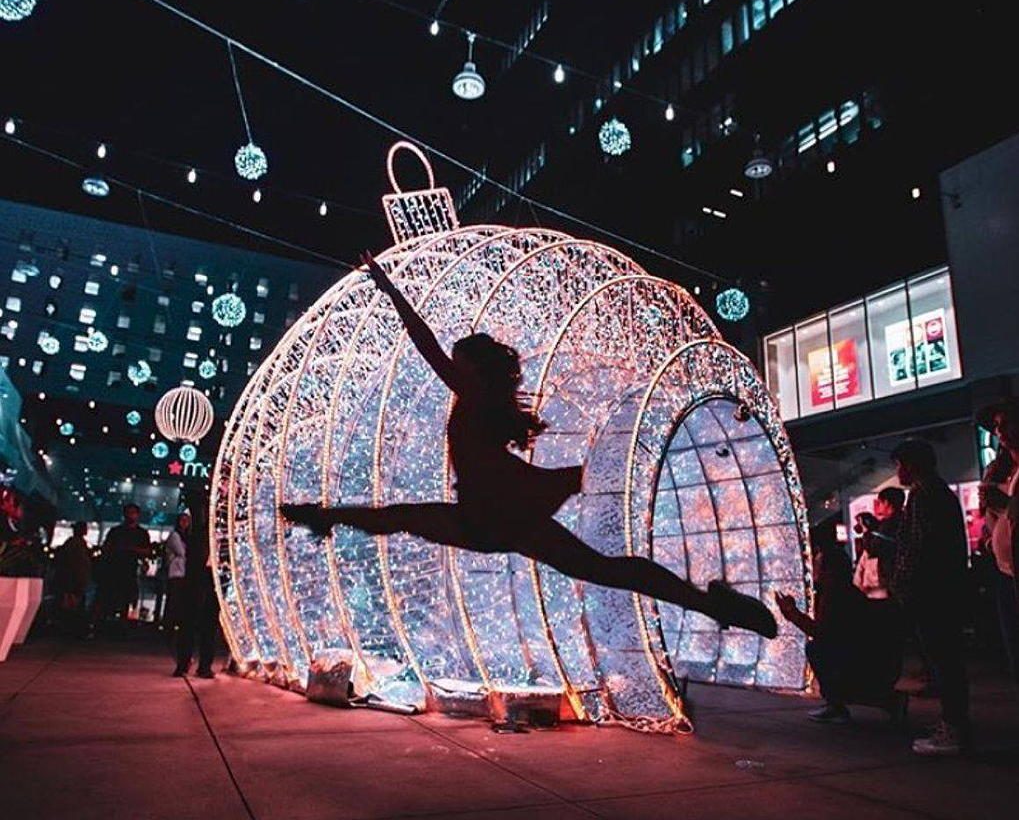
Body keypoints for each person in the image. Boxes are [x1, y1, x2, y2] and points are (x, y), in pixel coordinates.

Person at [281, 250, 777, 639]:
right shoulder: (481, 397)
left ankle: (712, 604)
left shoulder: (474, 393)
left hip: (497, 513)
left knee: (400, 518)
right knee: (599, 568)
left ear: (473, 368)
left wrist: (391, 290)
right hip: (490, 515)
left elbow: (425, 342)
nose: (452, 368)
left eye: (459, 362)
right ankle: (710, 603)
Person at [890, 439, 970, 755]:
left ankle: (954, 729)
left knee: (945, 660)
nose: (898, 472)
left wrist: (902, 584)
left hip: (930, 593)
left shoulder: (924, 496)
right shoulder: (935, 493)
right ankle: (952, 724)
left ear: (911, 465)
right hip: (939, 590)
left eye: (899, 465)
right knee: (945, 660)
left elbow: (918, 549)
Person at [777, 527, 905, 724]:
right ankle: (884, 700)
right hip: (877, 660)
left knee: (816, 649)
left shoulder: (835, 595)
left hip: (860, 662)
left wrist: (792, 614)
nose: (814, 565)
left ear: (829, 568)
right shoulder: (846, 591)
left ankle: (838, 704)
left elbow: (822, 633)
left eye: (818, 561)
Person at [978, 397, 1019, 682]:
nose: (999, 432)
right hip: (1005, 571)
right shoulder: (1003, 470)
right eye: (996, 427)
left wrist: (1004, 504)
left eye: (1005, 424)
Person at [174, 499, 219, 678]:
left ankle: (203, 665)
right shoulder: (196, 534)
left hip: (210, 579)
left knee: (207, 624)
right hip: (197, 579)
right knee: (191, 622)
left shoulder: (216, 534)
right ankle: (185, 663)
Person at [91, 503, 151, 633]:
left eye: (133, 513)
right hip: (113, 568)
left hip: (129, 569)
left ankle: (121, 625)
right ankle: (104, 625)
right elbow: (107, 547)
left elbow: (147, 551)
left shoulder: (141, 533)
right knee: (109, 597)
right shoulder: (116, 532)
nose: (131, 516)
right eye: (129, 513)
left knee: (126, 598)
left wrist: (133, 550)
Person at [853, 487, 905, 600]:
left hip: (890, 580)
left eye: (880, 503)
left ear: (886, 503)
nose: (879, 507)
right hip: (903, 577)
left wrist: (866, 531)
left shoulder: (888, 525)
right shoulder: (906, 520)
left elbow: (873, 551)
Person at [53, 521, 92, 635]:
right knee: (72, 603)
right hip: (73, 578)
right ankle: (71, 627)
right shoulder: (73, 543)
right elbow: (72, 562)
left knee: (75, 603)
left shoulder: (80, 543)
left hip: (79, 578)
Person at [162, 513, 190, 634]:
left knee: (180, 601)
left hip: (184, 573)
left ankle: (175, 625)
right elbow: (181, 552)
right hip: (176, 572)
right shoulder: (175, 536)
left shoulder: (187, 537)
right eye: (182, 520)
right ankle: (168, 626)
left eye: (187, 521)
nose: (184, 523)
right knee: (173, 600)